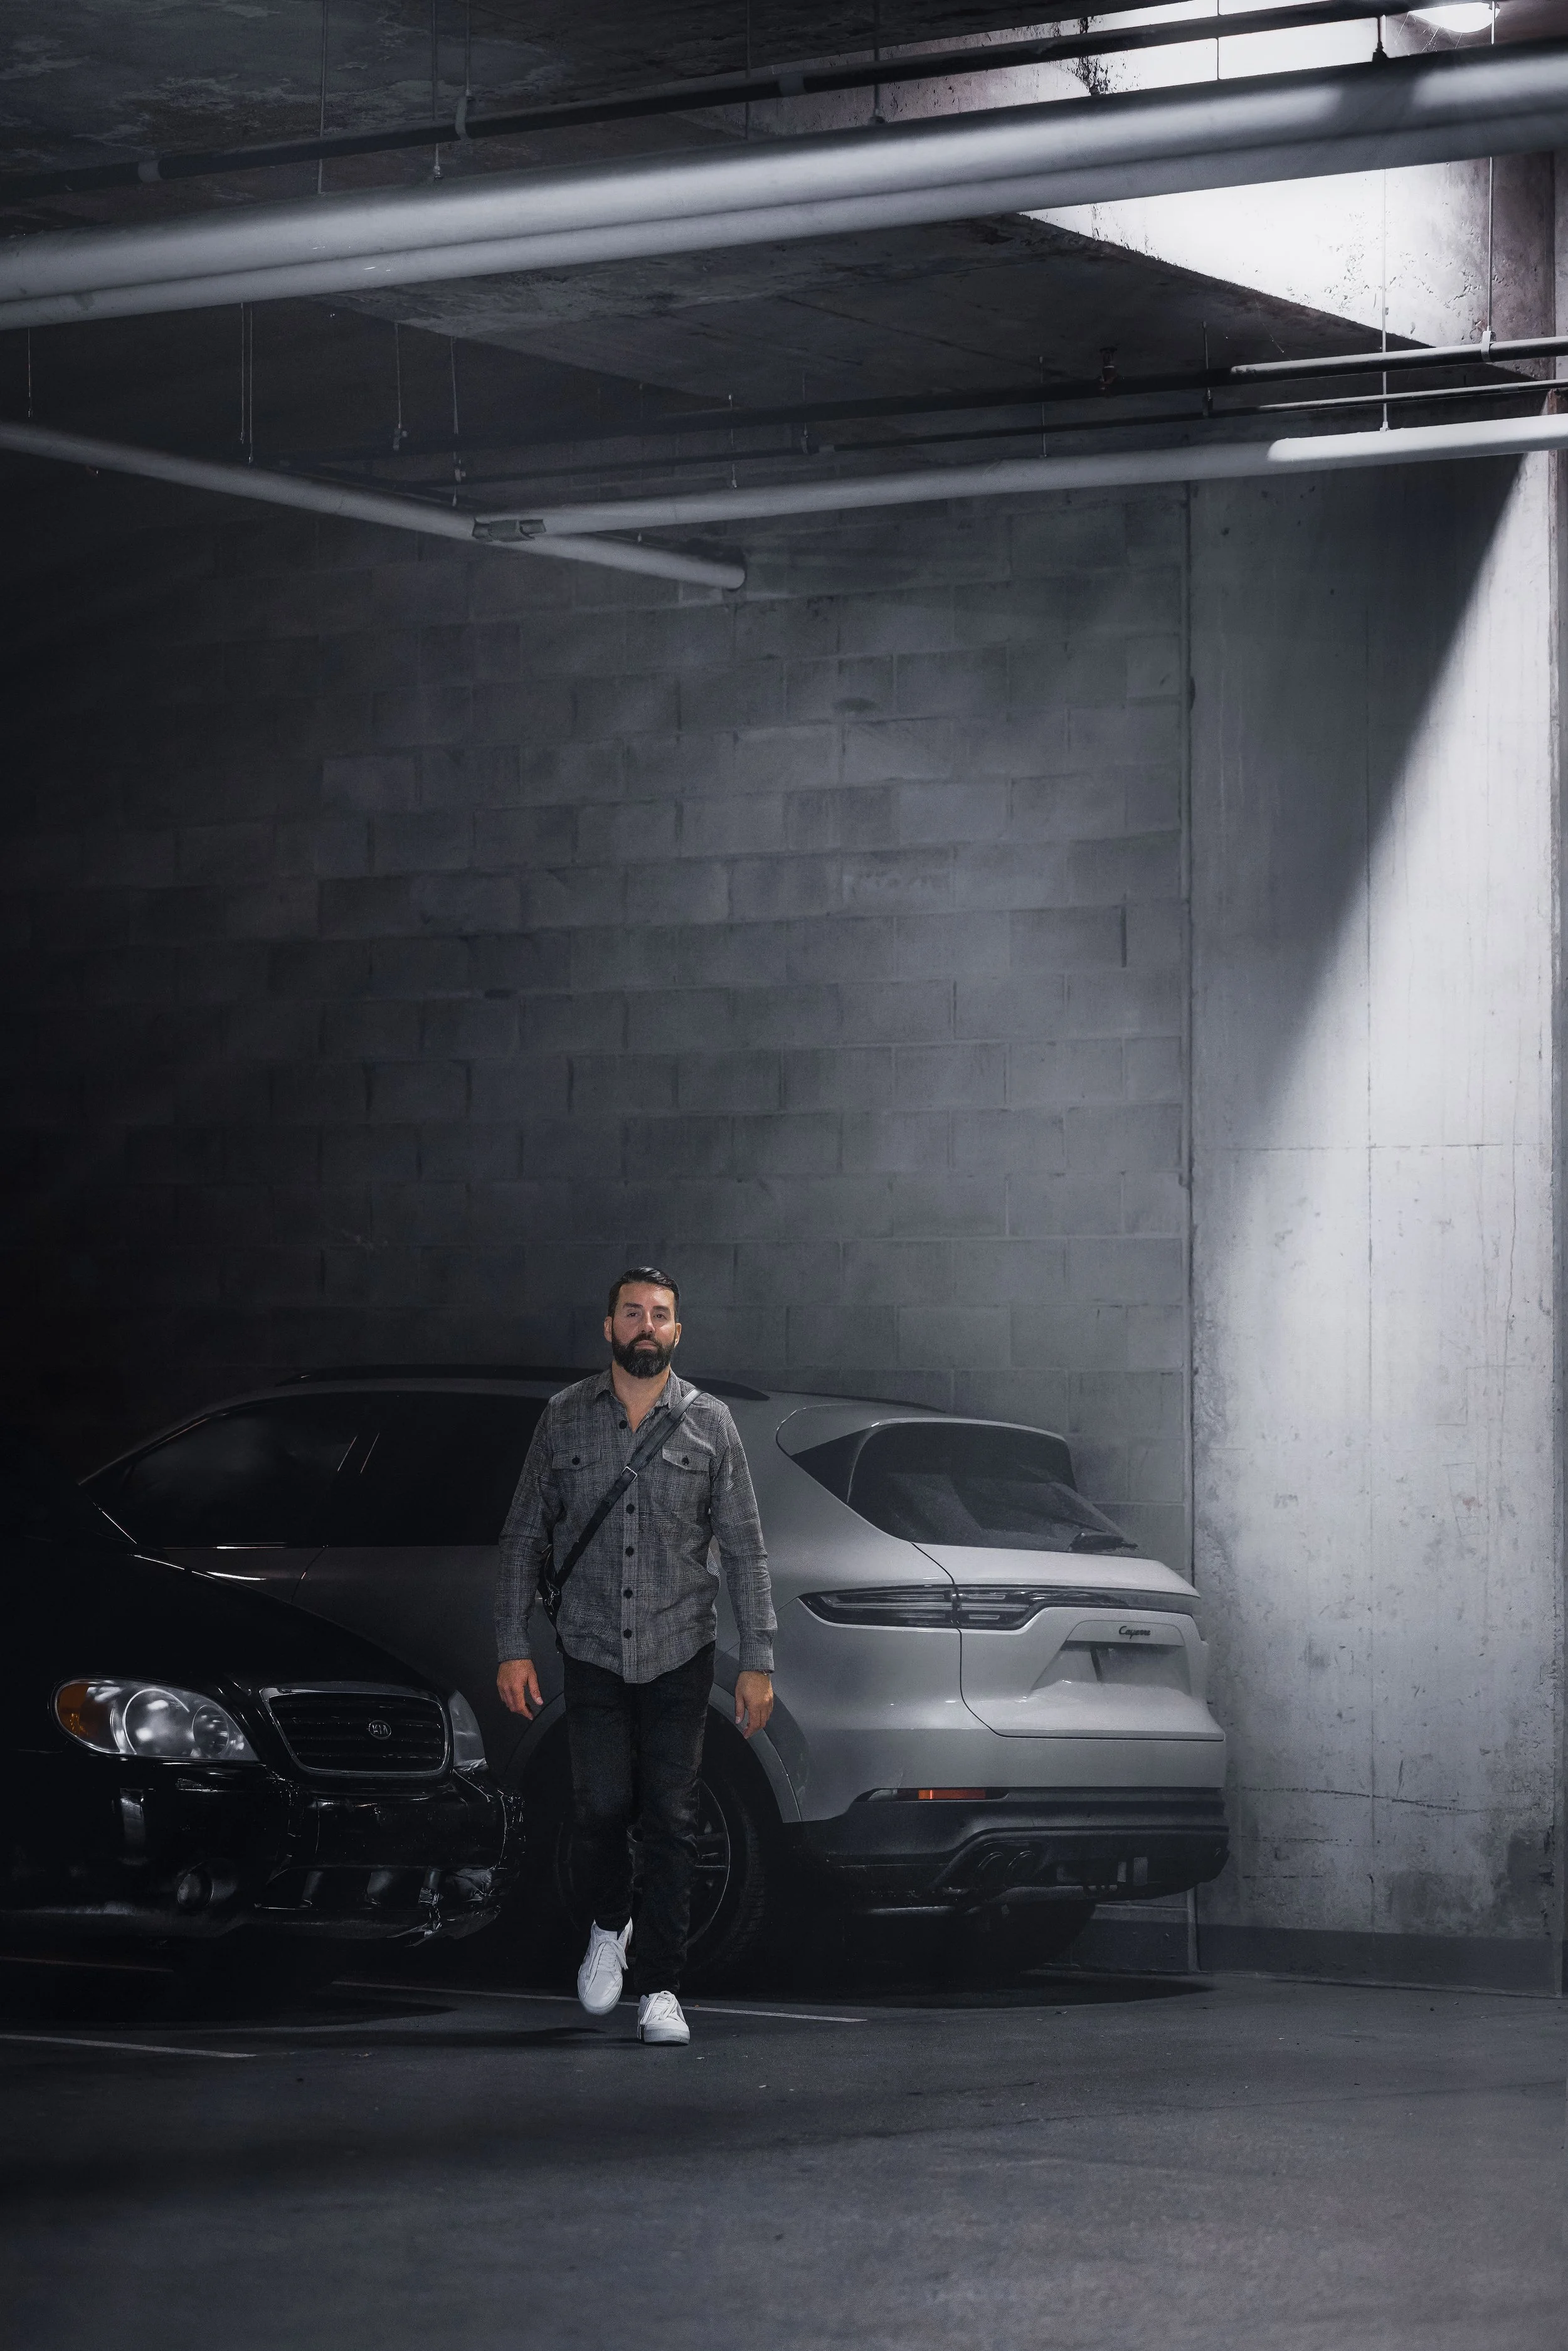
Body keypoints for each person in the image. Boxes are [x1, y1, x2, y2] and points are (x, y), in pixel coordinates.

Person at [494, 1268, 776, 2046]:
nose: (646, 1326)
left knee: (673, 1820)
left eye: (660, 1315)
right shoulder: (563, 1419)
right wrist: (511, 1643)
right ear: (609, 1327)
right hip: (588, 1647)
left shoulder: (711, 1423)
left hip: (681, 1646)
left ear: (677, 1333)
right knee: (598, 1810)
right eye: (633, 1313)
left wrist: (760, 1657)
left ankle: (659, 1987)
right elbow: (524, 1534)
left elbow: (747, 1549)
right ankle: (608, 1924)